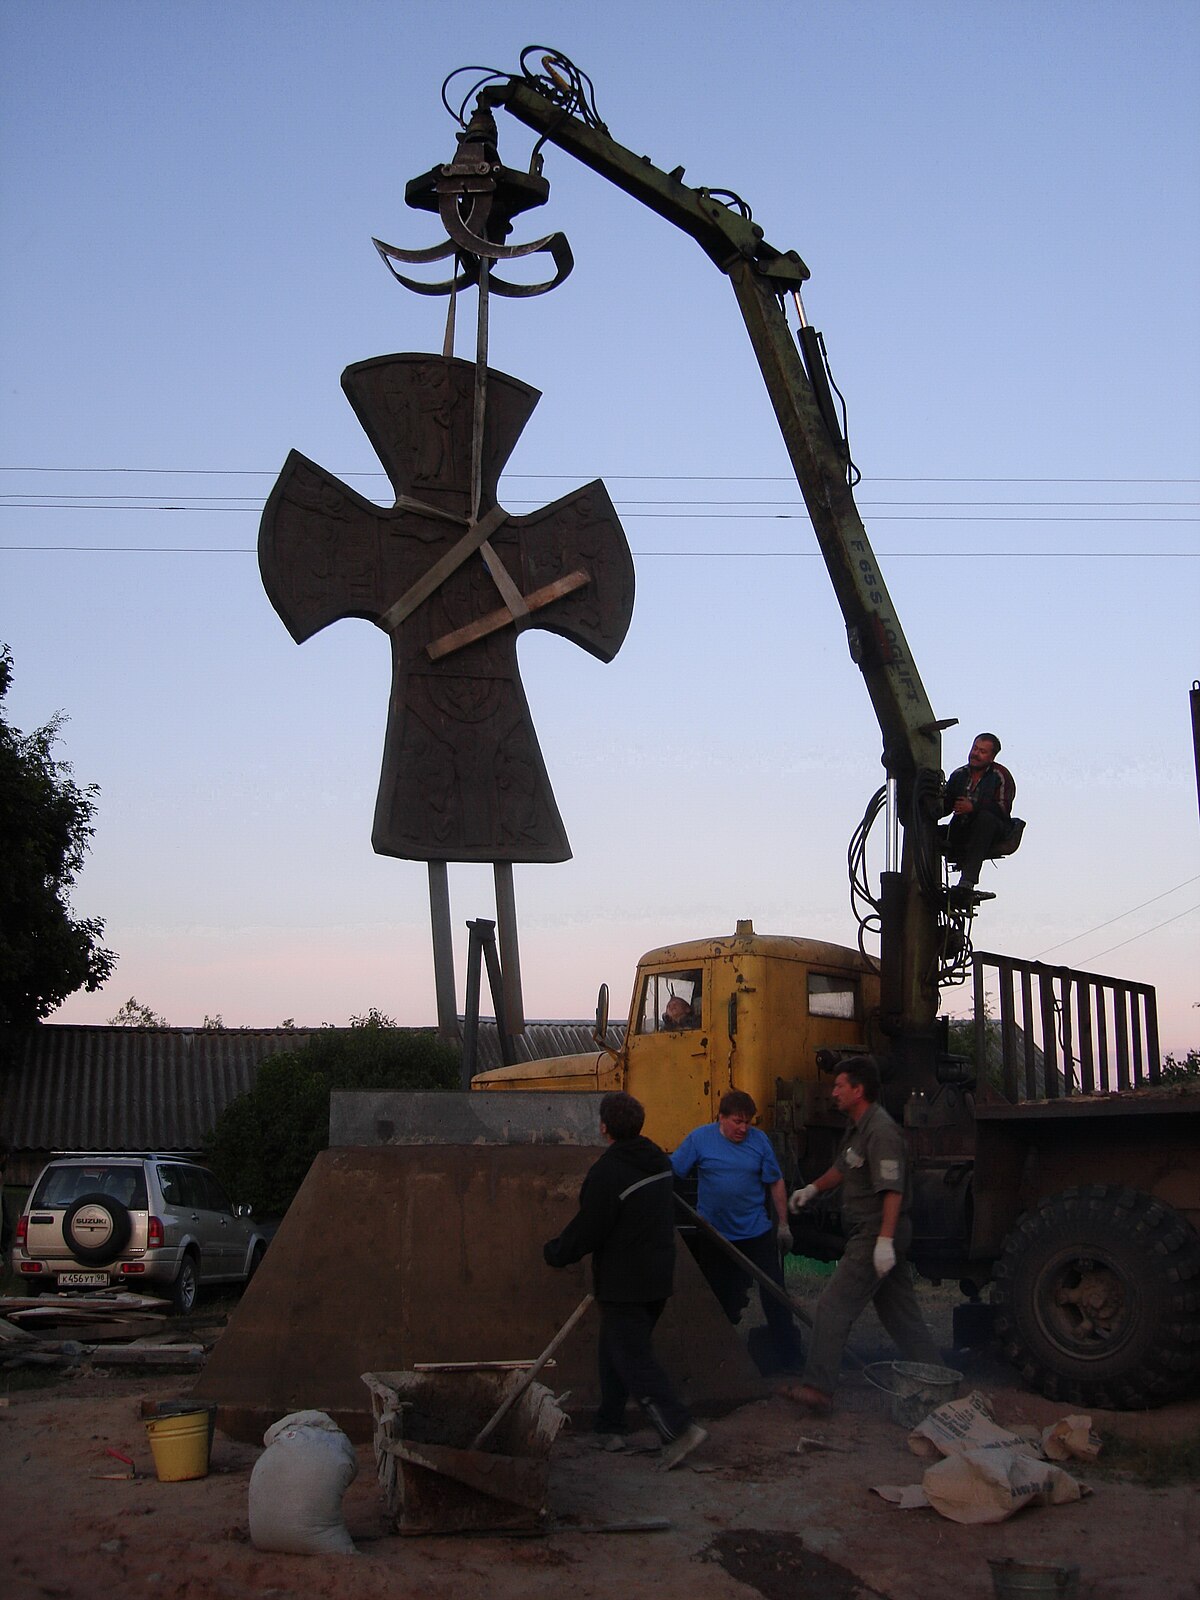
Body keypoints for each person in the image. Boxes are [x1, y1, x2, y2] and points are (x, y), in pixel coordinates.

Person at [543, 1090, 708, 1470]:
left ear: (604, 1127)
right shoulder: (657, 1160)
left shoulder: (607, 1173)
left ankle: (679, 1430)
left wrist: (555, 1253)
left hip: (625, 1282)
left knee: (632, 1357)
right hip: (658, 1276)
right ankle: (610, 1426)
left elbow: (589, 1229)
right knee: (615, 1347)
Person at [783, 1057, 941, 1413]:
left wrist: (884, 1241)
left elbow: (893, 1190)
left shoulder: (881, 1131)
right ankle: (939, 1382)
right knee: (902, 1316)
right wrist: (811, 1189)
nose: (833, 1092)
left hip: (875, 1233)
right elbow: (844, 1167)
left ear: (858, 1090)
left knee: (833, 1306)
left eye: (840, 1086)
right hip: (875, 1233)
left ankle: (818, 1388)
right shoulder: (860, 1128)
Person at [670, 1090, 803, 1373]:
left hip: (755, 1233)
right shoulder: (700, 1139)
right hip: (713, 1234)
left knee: (775, 1294)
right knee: (717, 1297)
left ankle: (790, 1358)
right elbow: (673, 1173)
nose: (744, 1128)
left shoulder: (760, 1141)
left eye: (748, 1122)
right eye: (737, 1121)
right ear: (721, 1118)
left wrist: (783, 1225)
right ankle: (713, 1359)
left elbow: (775, 1182)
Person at [941, 732, 1015, 899]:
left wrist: (973, 807)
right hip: (963, 826)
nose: (975, 754)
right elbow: (945, 807)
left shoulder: (1000, 775)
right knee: (929, 832)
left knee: (985, 820)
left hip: (992, 829)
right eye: (975, 748)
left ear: (991, 757)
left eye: (982, 751)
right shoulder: (959, 775)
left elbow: (1003, 808)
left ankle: (967, 882)